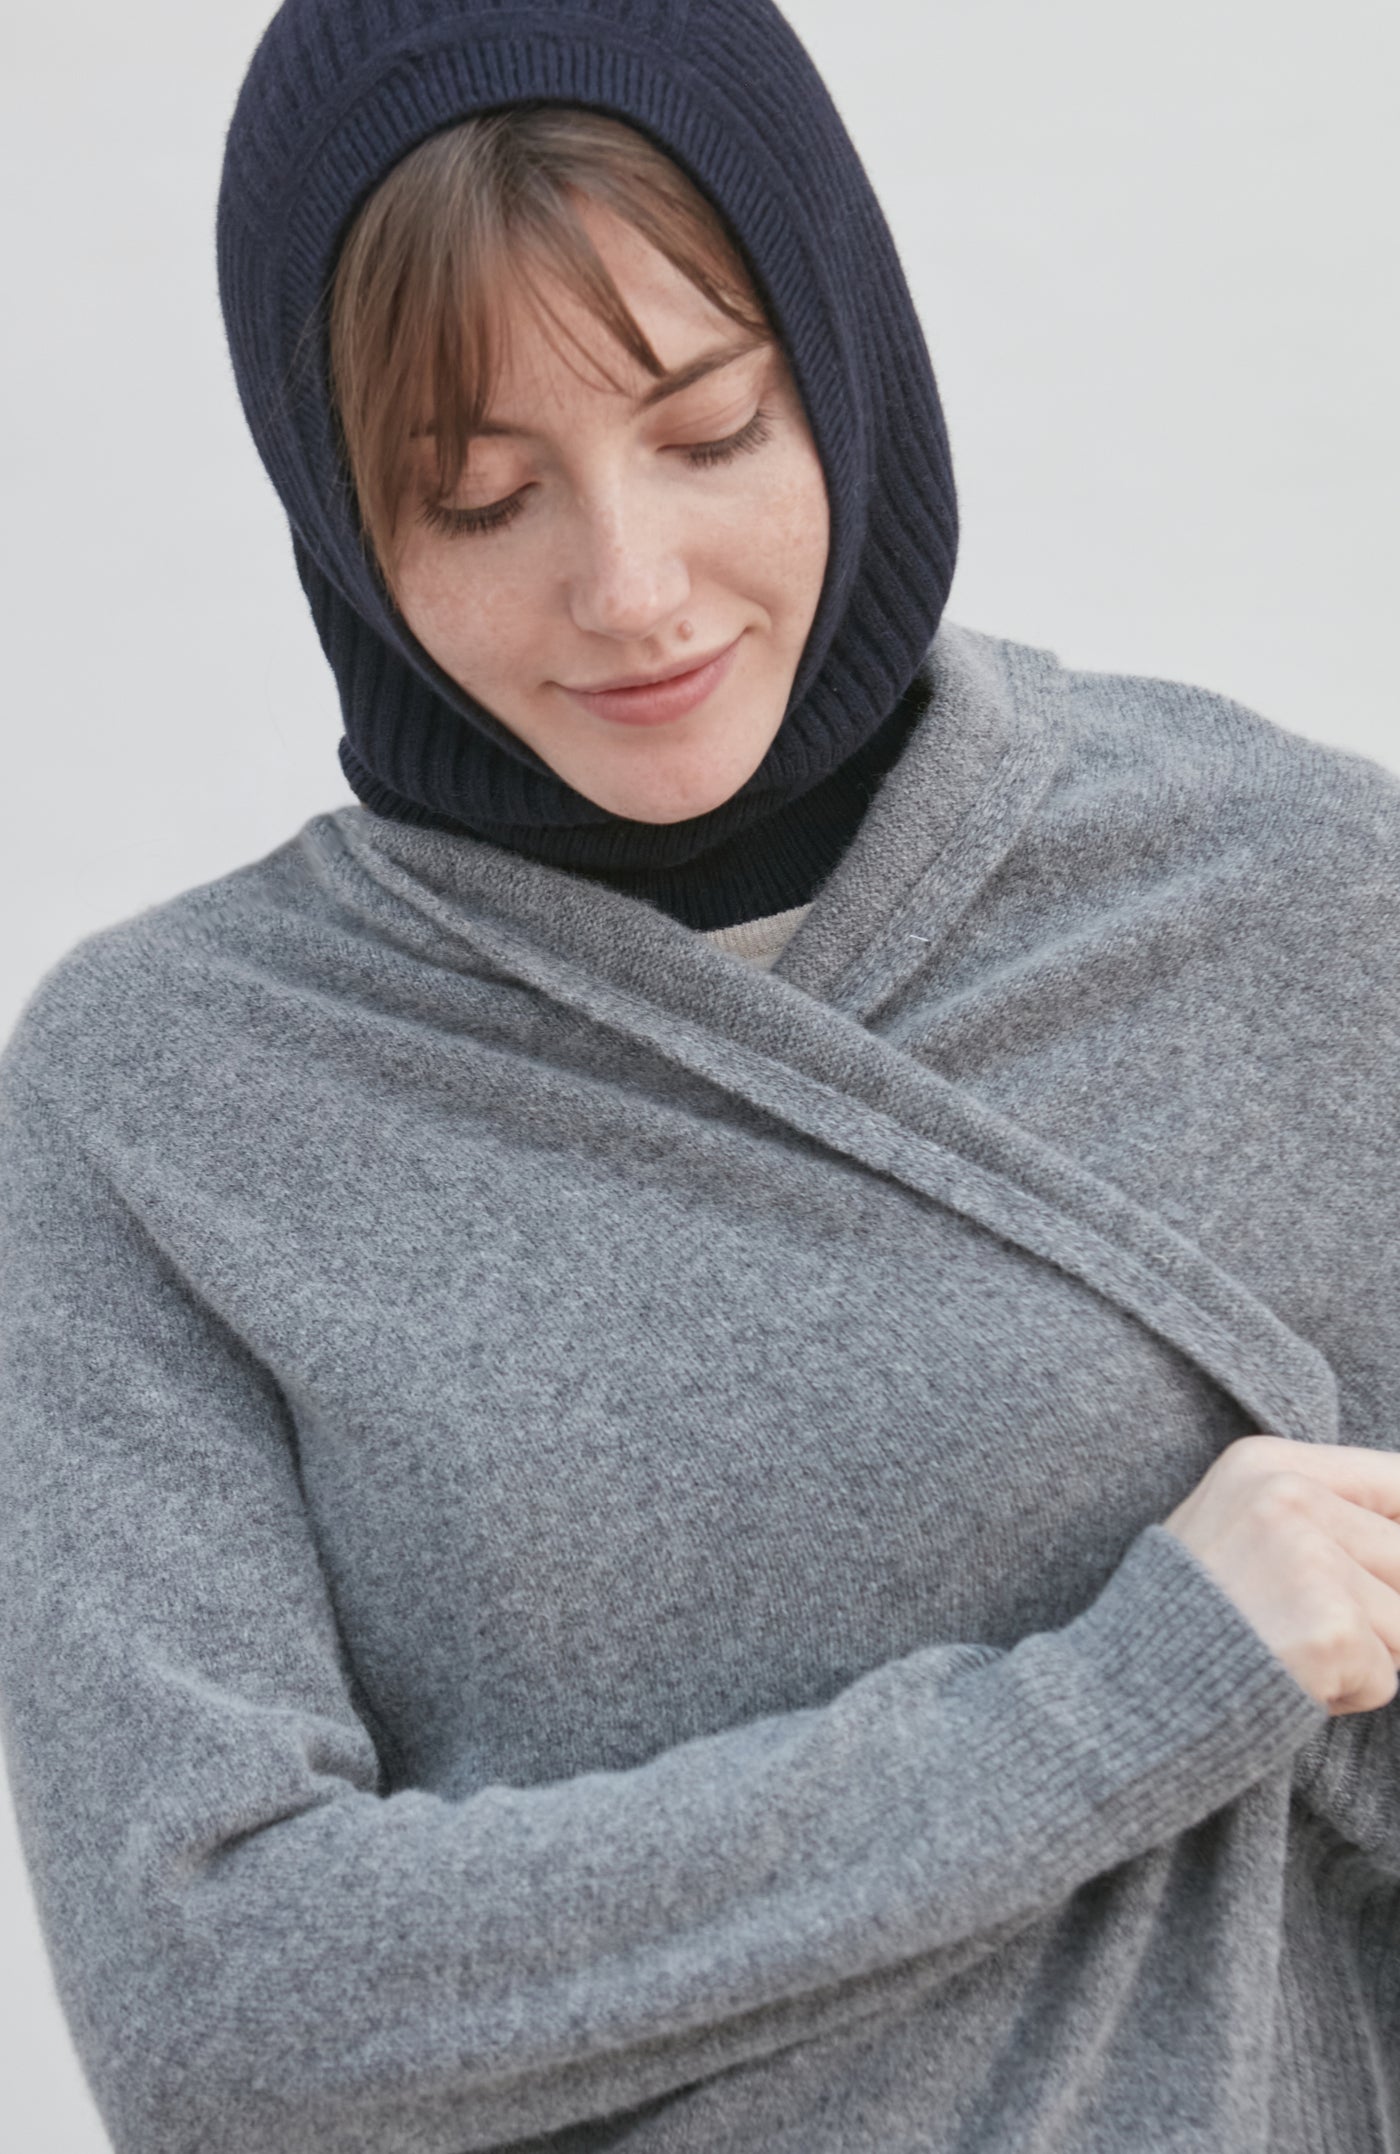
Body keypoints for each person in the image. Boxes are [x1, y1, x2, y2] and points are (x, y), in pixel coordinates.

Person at [0, 0, 1397, 2148]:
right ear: (337, 519)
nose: (628, 591)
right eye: (480, 498)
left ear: (843, 363)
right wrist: (1134, 1697)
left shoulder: (1288, 903)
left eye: (710, 430)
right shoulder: (157, 1097)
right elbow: (223, 2019)